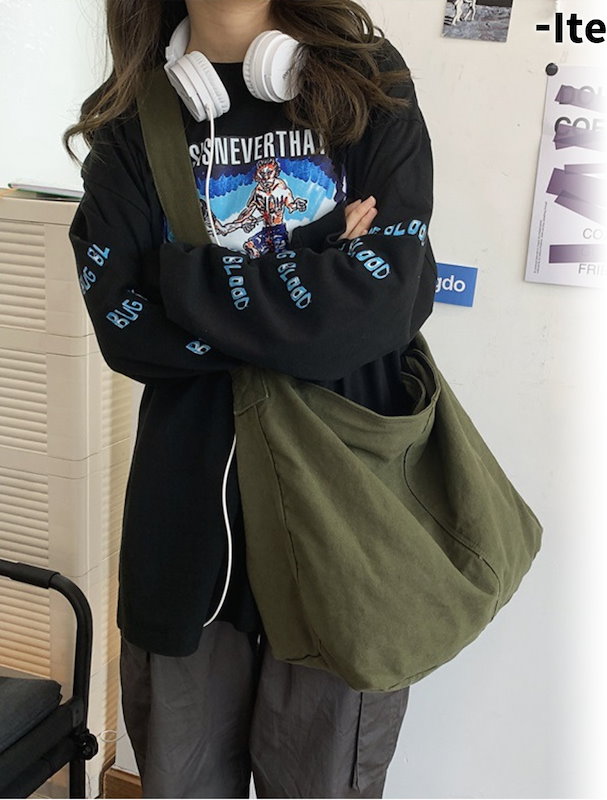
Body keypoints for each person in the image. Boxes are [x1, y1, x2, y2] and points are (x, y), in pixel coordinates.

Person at [63, 0, 437, 796]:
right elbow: (130, 331)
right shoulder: (130, 123)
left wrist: (184, 279)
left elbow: (387, 305)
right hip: (188, 532)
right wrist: (320, 256)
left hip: (348, 524)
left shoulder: (370, 84)